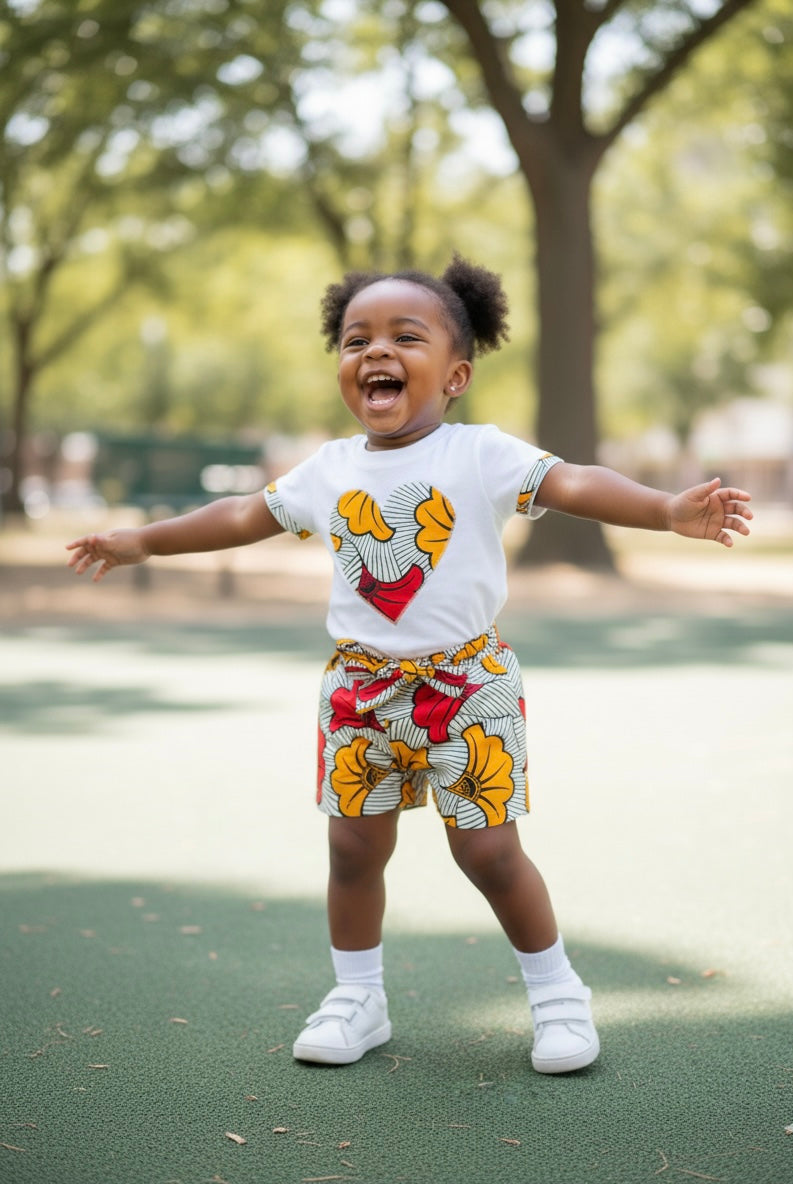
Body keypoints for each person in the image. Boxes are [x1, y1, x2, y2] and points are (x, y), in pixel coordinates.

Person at [67, 256, 752, 1075]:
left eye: (404, 337)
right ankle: (357, 999)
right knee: (352, 851)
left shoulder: (479, 454)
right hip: (359, 691)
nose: (375, 352)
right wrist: (143, 541)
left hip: (467, 685)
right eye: (356, 340)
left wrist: (664, 510)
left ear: (455, 375)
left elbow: (572, 482)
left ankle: (558, 997)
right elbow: (246, 513)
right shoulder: (329, 468)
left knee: (488, 854)